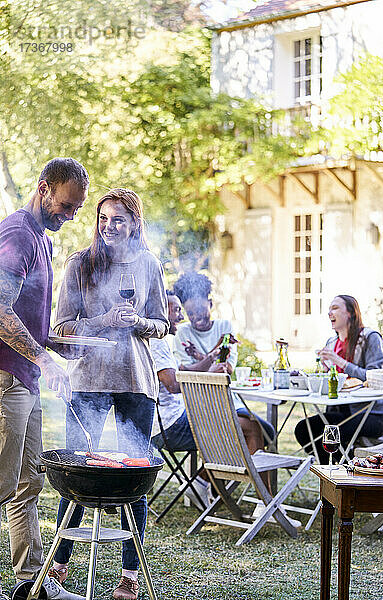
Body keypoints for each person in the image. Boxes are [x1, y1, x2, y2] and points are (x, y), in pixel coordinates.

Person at [48, 188, 168, 600]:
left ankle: (130, 575)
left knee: (135, 475)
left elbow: (163, 324)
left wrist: (138, 322)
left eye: (118, 219)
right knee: (77, 474)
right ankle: (60, 565)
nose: (109, 226)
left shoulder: (149, 264)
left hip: (135, 380)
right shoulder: (80, 264)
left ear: (134, 223)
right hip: (87, 380)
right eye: (103, 219)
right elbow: (62, 328)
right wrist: (102, 319)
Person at [0, 157, 89, 600]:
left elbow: (26, 317)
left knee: (27, 483)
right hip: (6, 379)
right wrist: (43, 357)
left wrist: (56, 345)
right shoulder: (18, 234)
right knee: (1, 482)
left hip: (27, 377)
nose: (70, 215)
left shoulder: (41, 238)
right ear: (43, 188)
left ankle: (31, 585)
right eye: (67, 205)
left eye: (76, 210)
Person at [151, 290, 275, 508]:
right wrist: (212, 374)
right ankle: (265, 503)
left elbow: (183, 370)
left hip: (171, 420)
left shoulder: (159, 341)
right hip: (170, 428)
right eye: (177, 310)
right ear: (161, 311)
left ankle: (201, 481)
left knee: (251, 427)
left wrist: (209, 357)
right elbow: (173, 385)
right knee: (252, 429)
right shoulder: (158, 343)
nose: (181, 317)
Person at [172, 272, 275, 456]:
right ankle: (234, 481)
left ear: (210, 304)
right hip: (201, 402)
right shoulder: (182, 333)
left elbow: (226, 368)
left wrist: (203, 358)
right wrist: (214, 355)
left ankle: (205, 480)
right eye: (190, 313)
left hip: (228, 399)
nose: (196, 317)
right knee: (255, 430)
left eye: (200, 309)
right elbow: (188, 375)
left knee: (267, 431)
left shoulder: (224, 326)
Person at [295, 295, 383, 463]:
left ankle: (338, 473)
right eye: (329, 308)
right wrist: (324, 370)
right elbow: (332, 382)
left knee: (331, 434)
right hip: (338, 412)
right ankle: (340, 469)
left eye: (335, 308)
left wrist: (340, 362)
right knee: (303, 429)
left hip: (371, 415)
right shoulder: (332, 342)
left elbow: (375, 377)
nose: (329, 312)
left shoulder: (370, 338)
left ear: (351, 313)